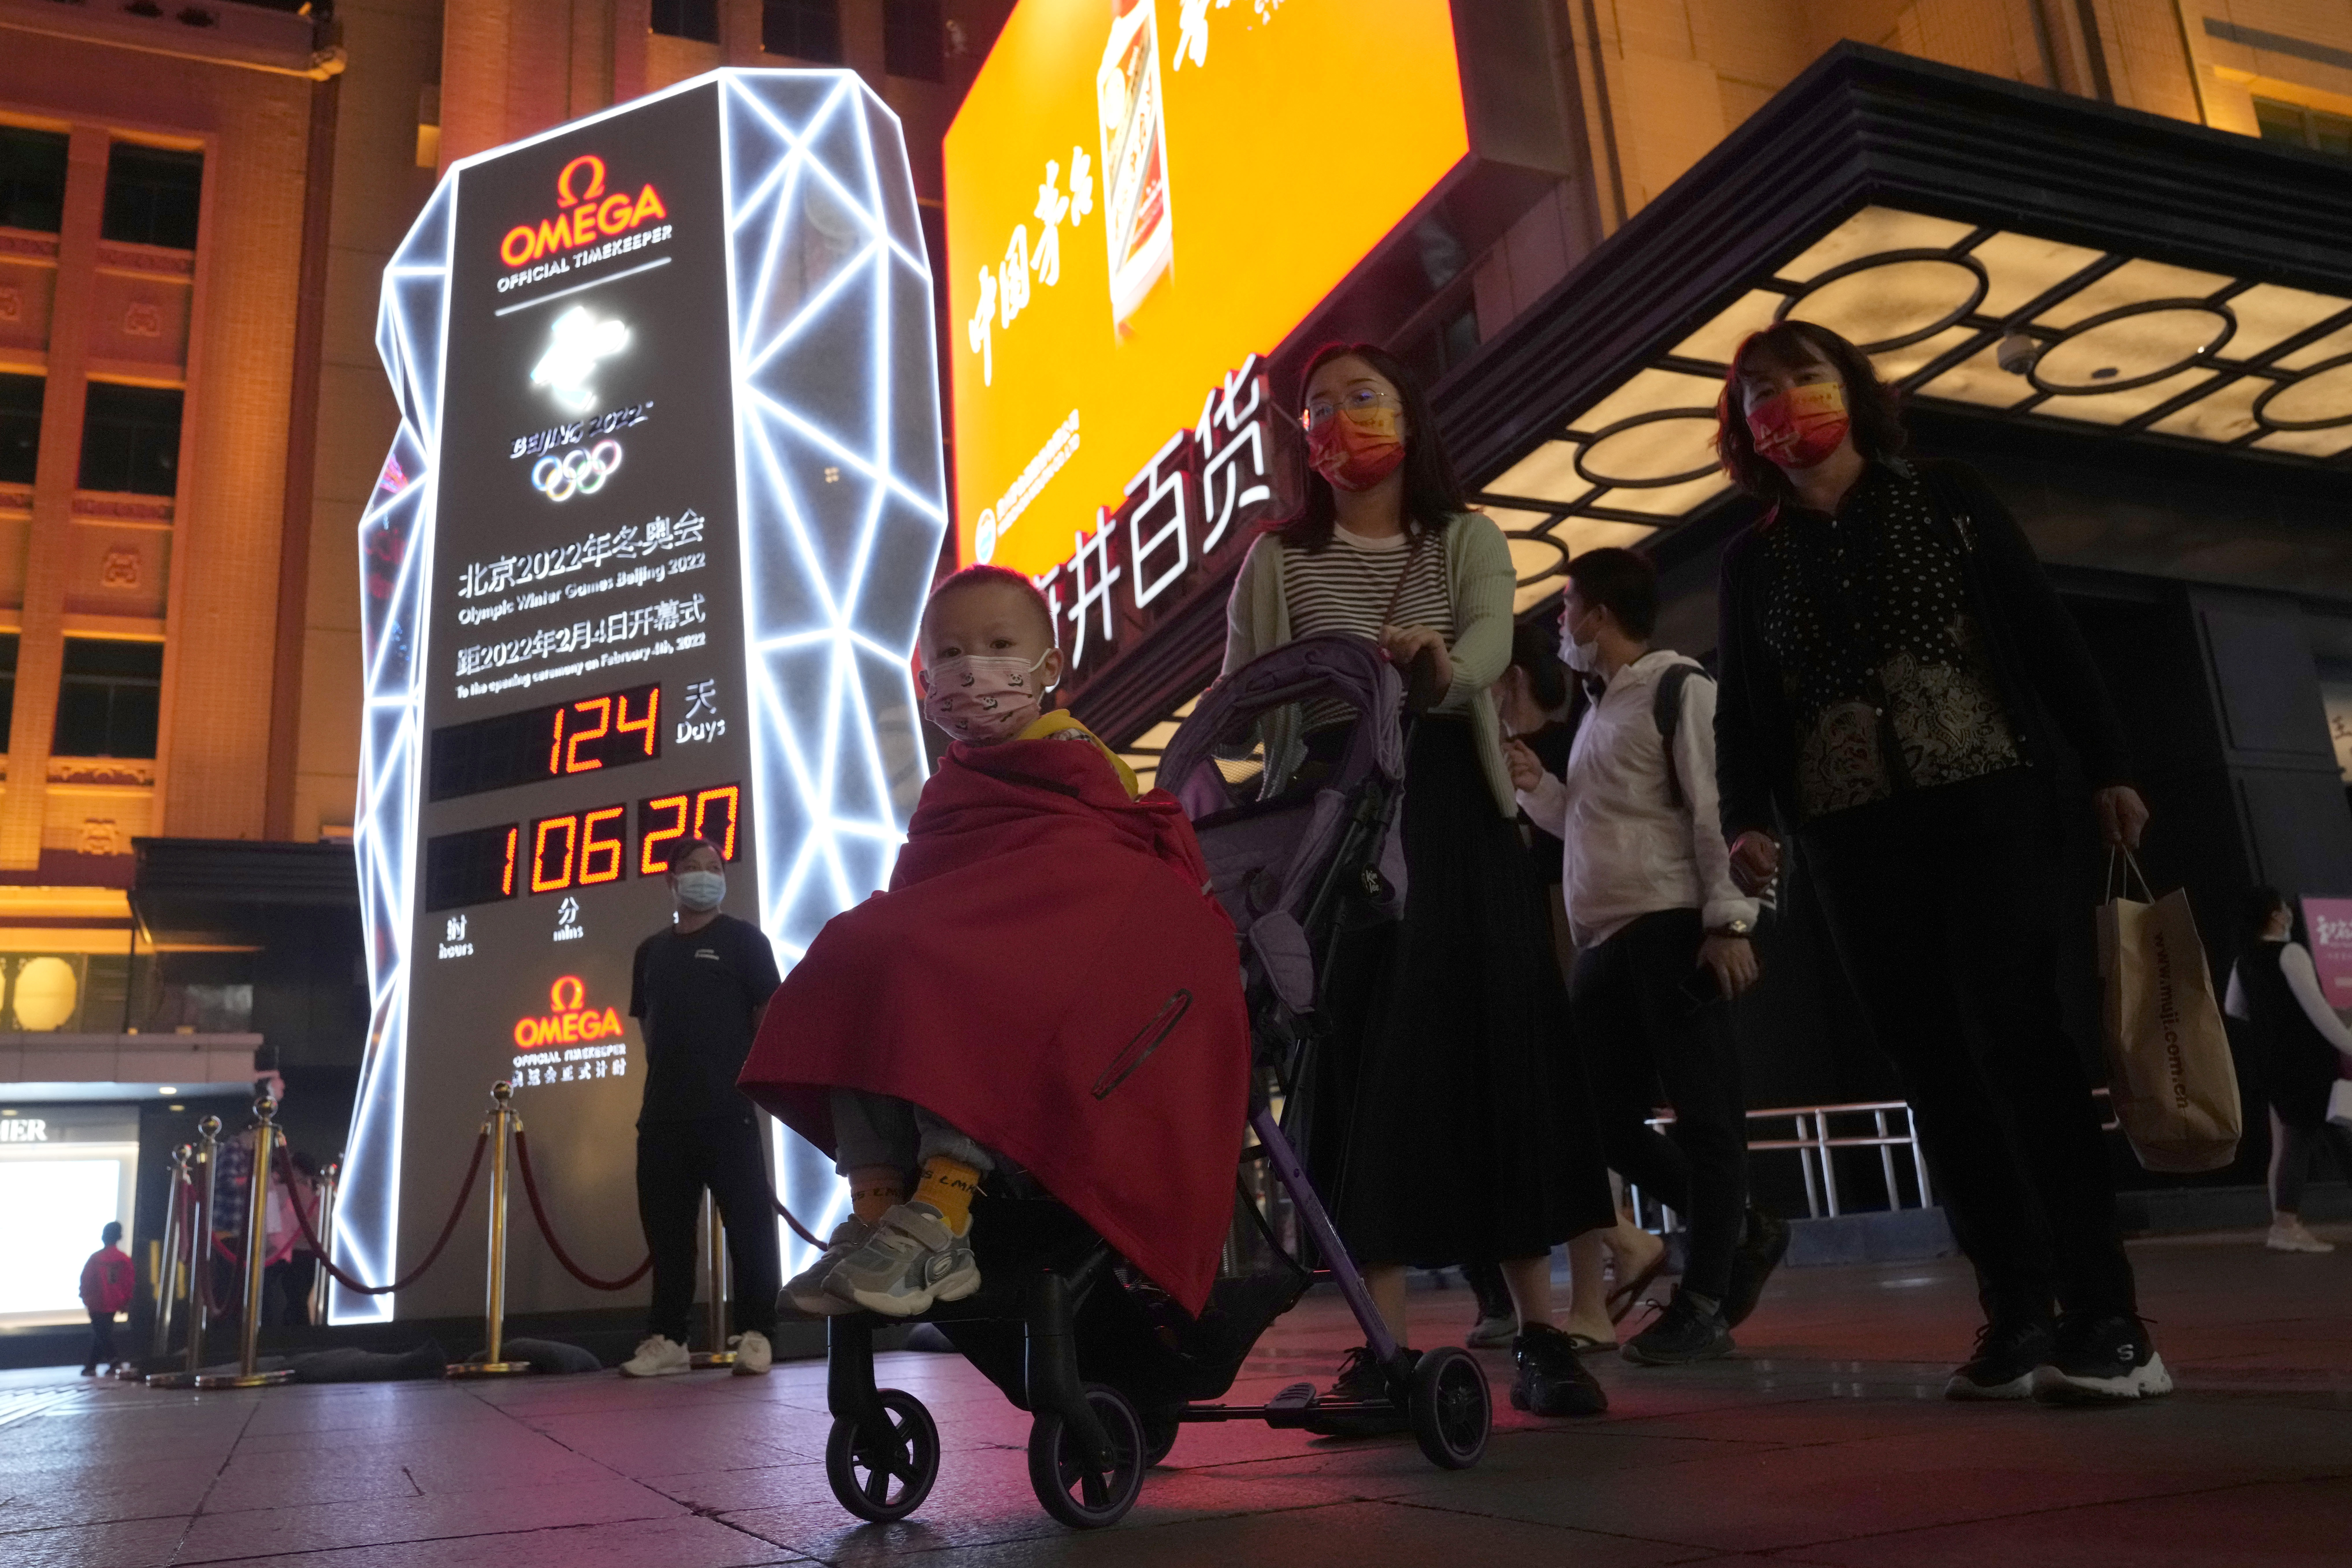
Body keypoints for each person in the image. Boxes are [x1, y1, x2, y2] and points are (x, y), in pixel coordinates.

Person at [1711, 319, 2165, 1404]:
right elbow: (1745, 709)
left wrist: (2108, 762)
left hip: (1989, 796)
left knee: (2019, 1038)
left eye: (1803, 377)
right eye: (1757, 390)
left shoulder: (1945, 497)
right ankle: (2014, 1305)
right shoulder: (1754, 555)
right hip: (1849, 833)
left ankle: (2108, 1315)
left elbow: (2041, 627)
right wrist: (1747, 815)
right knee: (1931, 1064)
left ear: (1851, 387)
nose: (1780, 403)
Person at [1220, 341, 1612, 1420]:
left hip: (1448, 803)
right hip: (1333, 816)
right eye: (1317, 409)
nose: (1338, 419)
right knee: (1359, 1055)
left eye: (1362, 397)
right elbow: (1244, 693)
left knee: (1501, 1045)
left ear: (1409, 413)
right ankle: (1381, 1341)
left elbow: (1486, 642)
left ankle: (1542, 1332)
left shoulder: (1465, 537)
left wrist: (1440, 667)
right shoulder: (1275, 560)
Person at [742, 566, 1248, 1326]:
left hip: (1036, 1008)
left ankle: (944, 1210)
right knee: (855, 959)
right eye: (948, 652)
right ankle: (878, 1207)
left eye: (998, 644)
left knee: (964, 972)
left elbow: (1106, 905)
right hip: (964, 974)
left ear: (1047, 668)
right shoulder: (949, 792)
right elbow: (931, 899)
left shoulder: (1088, 772)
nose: (970, 667)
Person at [1508, 548, 1790, 1366]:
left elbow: (1716, 814)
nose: (1560, 625)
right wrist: (1536, 787)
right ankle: (1738, 1228)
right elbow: (1598, 825)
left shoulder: (1678, 688)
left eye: (1565, 608)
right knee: (1593, 1120)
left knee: (1706, 1118)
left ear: (1596, 612)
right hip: (1604, 941)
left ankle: (1702, 1300)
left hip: (1671, 928)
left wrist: (1729, 925)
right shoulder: (1600, 710)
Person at [1484, 625, 1668, 1354]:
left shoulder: (1568, 744)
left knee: (1570, 1111)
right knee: (1563, 1112)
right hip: (1555, 931)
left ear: (1511, 679)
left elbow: (1583, 837)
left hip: (1569, 931)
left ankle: (1599, 1285)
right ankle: (1618, 1252)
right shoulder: (1528, 751)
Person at [619, 837, 783, 1378]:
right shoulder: (650, 950)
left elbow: (768, 1014)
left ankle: (759, 1332)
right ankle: (668, 1338)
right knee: (667, 1235)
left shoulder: (744, 942)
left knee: (750, 1227)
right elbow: (648, 1024)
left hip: (728, 1109)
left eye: (714, 868)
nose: (705, 876)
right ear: (671, 880)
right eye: (692, 868)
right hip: (663, 1114)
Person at [2225, 887, 2352, 1254]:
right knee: (2303, 1139)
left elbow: (2234, 1007)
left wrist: (2272, 1019)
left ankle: (2285, 1221)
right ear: (2277, 916)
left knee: (2322, 1137)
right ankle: (2285, 1223)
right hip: (2307, 1062)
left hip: (2272, 1064)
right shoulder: (2291, 953)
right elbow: (2319, 1012)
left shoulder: (2244, 960)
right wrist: (2348, 1043)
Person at [79, 1220, 134, 1376]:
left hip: (96, 1303)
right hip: (114, 1302)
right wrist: (126, 1301)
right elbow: (128, 1283)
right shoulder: (124, 1260)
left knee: (101, 1333)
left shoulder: (96, 1259)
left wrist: (85, 1297)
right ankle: (93, 1366)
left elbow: (86, 1280)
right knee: (103, 1333)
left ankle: (113, 1362)